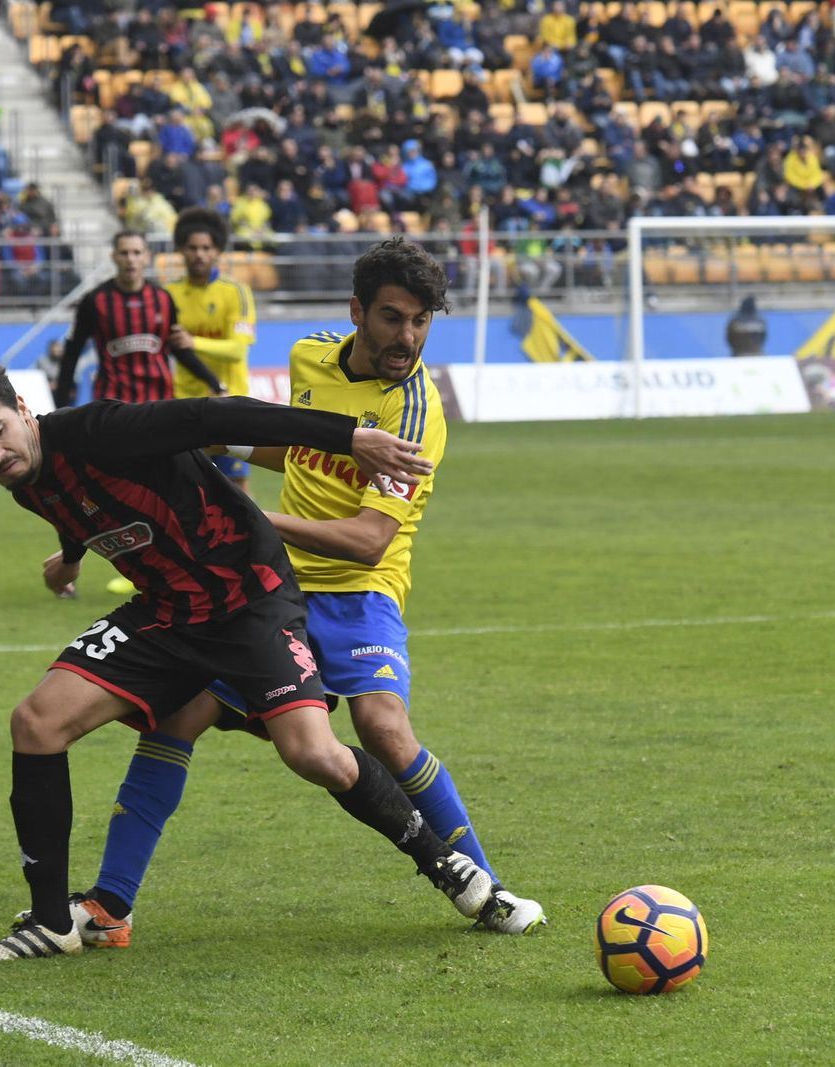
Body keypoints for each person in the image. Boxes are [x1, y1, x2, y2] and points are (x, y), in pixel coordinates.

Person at [0, 353, 498, 962]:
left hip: (251, 601)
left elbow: (216, 415)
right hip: (167, 613)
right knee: (35, 723)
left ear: (23, 411)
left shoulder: (101, 430)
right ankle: (51, 921)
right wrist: (71, 557)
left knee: (314, 754)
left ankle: (445, 865)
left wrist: (349, 439)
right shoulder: (24, 479)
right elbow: (78, 506)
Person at [65, 238, 546, 946]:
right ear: (357, 311)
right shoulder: (310, 356)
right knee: (177, 716)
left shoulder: (416, 411)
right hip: (274, 588)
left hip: (360, 595)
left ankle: (485, 884)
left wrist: (243, 513)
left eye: (420, 322)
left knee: (381, 728)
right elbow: (293, 444)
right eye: (391, 317)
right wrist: (202, 454)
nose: (406, 337)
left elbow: (367, 541)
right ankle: (111, 908)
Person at [52, 230, 224, 407]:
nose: (130, 259)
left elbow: (178, 349)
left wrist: (214, 383)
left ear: (146, 257)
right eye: (124, 253)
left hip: (159, 402)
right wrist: (60, 407)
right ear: (114, 257)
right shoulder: (94, 301)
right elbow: (71, 354)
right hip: (112, 404)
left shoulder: (163, 298)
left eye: (136, 252)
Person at [165, 208, 256, 493]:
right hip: (184, 404)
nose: (199, 254)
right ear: (181, 250)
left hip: (229, 402)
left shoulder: (236, 292)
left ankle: (253, 538)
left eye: (206, 248)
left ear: (217, 251)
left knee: (237, 487)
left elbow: (237, 350)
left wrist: (193, 341)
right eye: (192, 248)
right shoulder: (168, 294)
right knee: (184, 485)